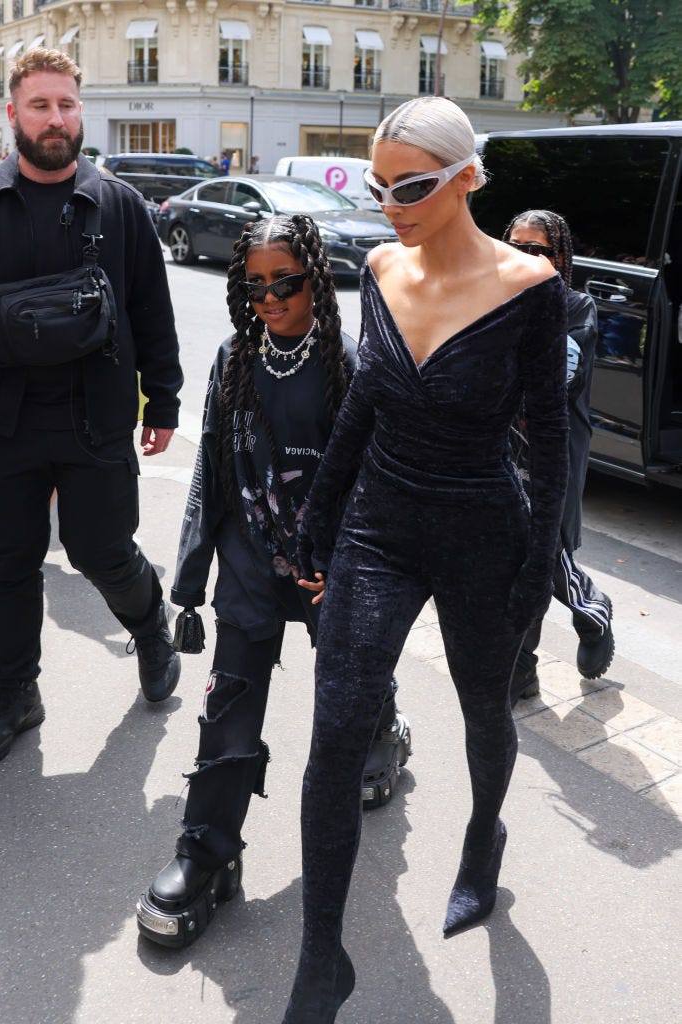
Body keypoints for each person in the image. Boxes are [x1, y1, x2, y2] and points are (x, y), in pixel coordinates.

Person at [280, 95, 569, 1023]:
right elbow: (365, 400)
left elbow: (554, 437)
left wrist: (543, 567)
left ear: (466, 178)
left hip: (483, 526)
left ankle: (483, 835)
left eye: (412, 184)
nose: (391, 201)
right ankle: (319, 959)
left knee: (485, 705)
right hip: (379, 524)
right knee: (334, 734)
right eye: (379, 184)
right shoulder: (376, 266)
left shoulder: (528, 286)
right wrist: (319, 511)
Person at [136, 213, 411, 949]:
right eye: (253, 286)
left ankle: (384, 726)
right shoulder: (233, 359)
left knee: (349, 692)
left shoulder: (352, 368)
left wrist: (352, 567)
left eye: (284, 282)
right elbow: (211, 475)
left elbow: (377, 486)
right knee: (228, 711)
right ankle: (206, 854)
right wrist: (191, 578)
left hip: (332, 571)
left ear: (316, 280)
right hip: (254, 568)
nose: (269, 298)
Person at [0, 49, 183, 763]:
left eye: (66, 104)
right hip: (8, 422)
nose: (55, 119)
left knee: (101, 551)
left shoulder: (122, 206)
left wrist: (162, 402)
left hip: (96, 417)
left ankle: (150, 624)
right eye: (40, 105)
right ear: (13, 114)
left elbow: (151, 312)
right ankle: (17, 691)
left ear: (81, 112)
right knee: (8, 562)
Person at [503, 210, 614, 703]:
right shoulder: (492, 302)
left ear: (559, 258)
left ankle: (591, 611)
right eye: (514, 246)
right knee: (513, 557)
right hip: (500, 452)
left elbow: (555, 381)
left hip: (553, 455)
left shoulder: (576, 307)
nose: (523, 258)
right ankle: (522, 670)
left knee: (543, 551)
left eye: (536, 249)